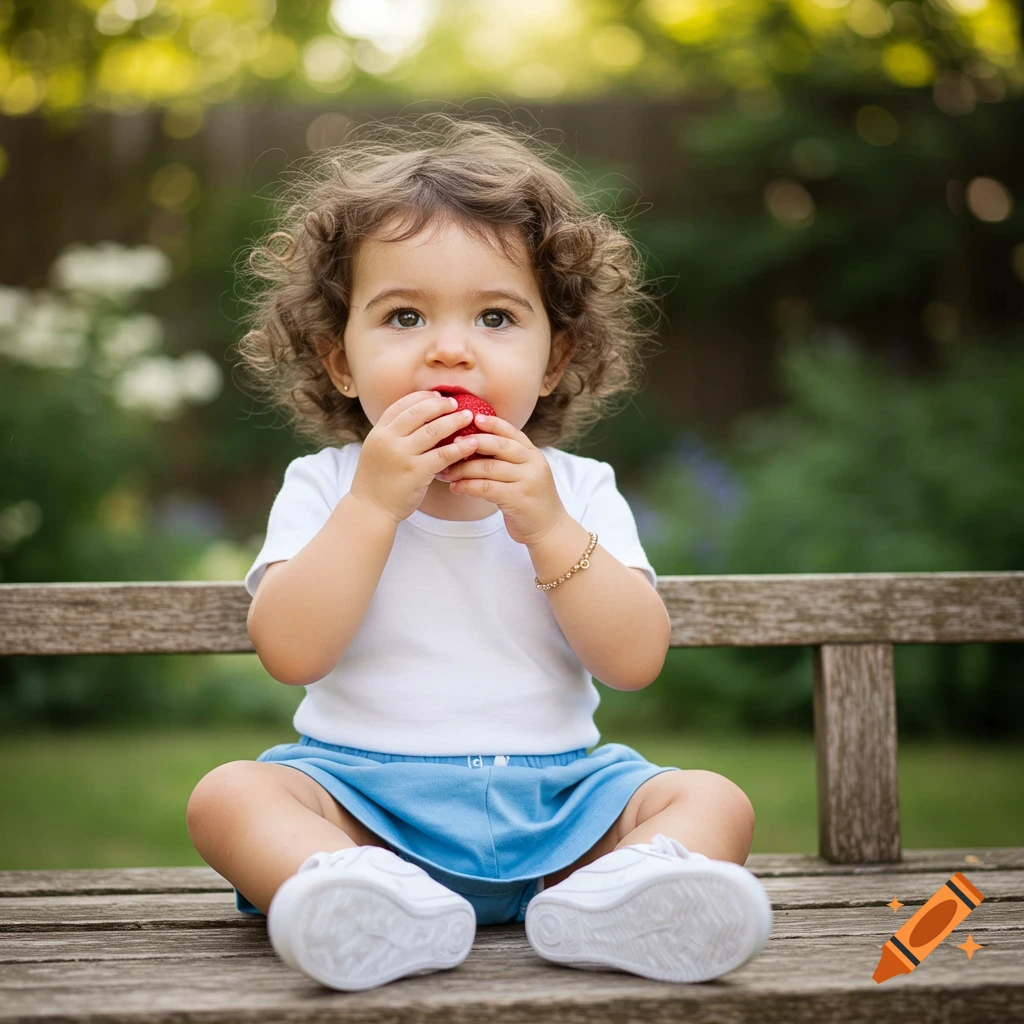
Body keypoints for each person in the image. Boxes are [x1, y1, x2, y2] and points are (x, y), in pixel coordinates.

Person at [186, 112, 771, 992]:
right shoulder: (325, 484)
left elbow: (635, 660)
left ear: (553, 358)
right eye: (405, 315)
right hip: (361, 804)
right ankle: (354, 896)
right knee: (230, 796)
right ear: (339, 359)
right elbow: (291, 652)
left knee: (713, 800)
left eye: (496, 316)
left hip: (564, 807)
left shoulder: (577, 489)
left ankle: (621, 895)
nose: (449, 349)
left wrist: (545, 527)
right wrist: (374, 506)